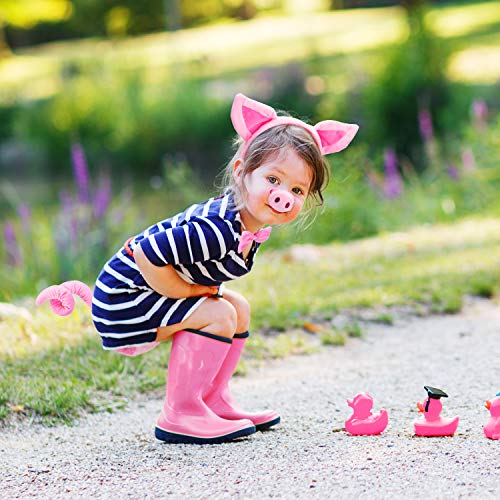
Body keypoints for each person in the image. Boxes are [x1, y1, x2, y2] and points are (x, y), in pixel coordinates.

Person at [93, 93, 358, 444]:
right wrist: (186, 293)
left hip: (144, 292)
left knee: (238, 309)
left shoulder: (245, 225)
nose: (284, 196)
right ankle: (181, 412)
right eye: (273, 181)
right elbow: (145, 252)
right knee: (218, 314)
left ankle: (212, 400)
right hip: (123, 299)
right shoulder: (219, 229)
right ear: (242, 172)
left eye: (297, 189)